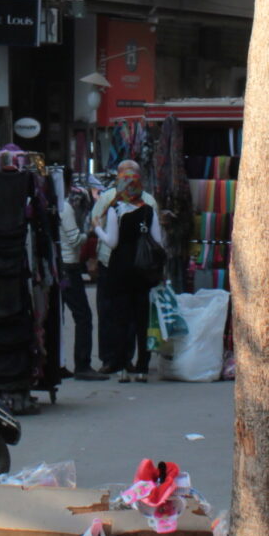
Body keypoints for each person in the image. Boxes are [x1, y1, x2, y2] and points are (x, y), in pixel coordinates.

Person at [89, 161, 163, 384]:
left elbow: (110, 241)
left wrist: (97, 229)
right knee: (141, 320)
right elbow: (158, 243)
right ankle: (141, 367)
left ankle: (118, 364)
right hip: (143, 272)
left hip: (117, 269)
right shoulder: (149, 206)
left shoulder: (113, 205)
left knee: (117, 317)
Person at [58, 176, 103, 380]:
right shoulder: (65, 208)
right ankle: (82, 364)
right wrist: (91, 234)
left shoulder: (51, 205)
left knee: (59, 317)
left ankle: (58, 363)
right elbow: (75, 239)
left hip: (59, 265)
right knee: (83, 316)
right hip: (69, 267)